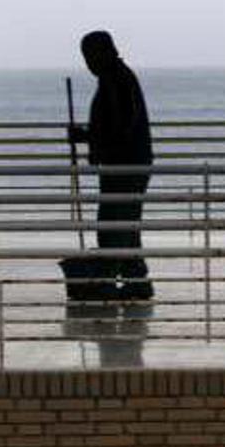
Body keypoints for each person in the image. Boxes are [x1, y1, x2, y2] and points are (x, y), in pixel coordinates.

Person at [68, 31, 155, 314]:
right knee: (126, 226)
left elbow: (120, 126)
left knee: (113, 225)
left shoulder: (116, 79)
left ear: (105, 52)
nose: (88, 63)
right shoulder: (115, 77)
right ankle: (136, 280)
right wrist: (89, 136)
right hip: (126, 163)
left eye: (90, 56)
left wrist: (89, 137)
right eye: (85, 57)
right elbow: (114, 126)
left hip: (125, 167)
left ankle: (106, 280)